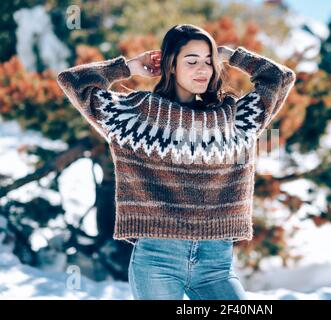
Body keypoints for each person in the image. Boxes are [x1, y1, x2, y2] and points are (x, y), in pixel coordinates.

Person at [57, 23, 296, 300]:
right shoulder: (135, 115)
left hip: (215, 264)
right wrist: (130, 67)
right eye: (191, 61)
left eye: (208, 61)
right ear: (171, 65)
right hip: (158, 260)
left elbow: (280, 78)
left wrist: (231, 55)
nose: (203, 69)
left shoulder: (235, 118)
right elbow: (73, 81)